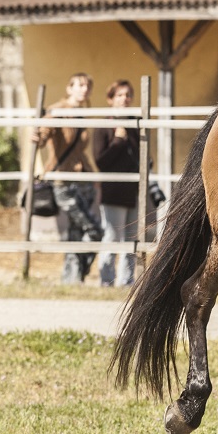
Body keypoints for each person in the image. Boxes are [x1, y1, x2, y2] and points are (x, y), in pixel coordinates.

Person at [33, 72, 103, 283]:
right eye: (79, 85)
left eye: (88, 86)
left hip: (83, 179)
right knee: (94, 230)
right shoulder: (58, 110)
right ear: (69, 88)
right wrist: (38, 136)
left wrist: (93, 175)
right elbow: (43, 134)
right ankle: (79, 272)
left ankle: (71, 279)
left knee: (76, 232)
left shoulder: (83, 113)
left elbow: (81, 151)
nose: (84, 89)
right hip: (63, 180)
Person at [93, 79, 139, 287]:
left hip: (133, 189)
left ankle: (126, 280)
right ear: (110, 99)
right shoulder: (103, 126)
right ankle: (106, 279)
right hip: (113, 190)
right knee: (112, 235)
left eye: (128, 95)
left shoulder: (136, 123)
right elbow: (100, 160)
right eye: (120, 95)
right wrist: (118, 141)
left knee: (132, 238)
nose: (125, 99)